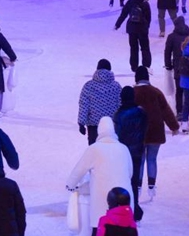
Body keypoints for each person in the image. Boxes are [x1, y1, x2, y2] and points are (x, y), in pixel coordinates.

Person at [66, 117, 134, 235]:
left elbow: (79, 170)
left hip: (103, 200)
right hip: (124, 199)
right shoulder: (123, 148)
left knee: (100, 227)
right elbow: (130, 173)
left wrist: (70, 185)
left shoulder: (95, 148)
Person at [132, 67, 179, 202]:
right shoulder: (156, 92)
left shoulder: (133, 93)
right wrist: (174, 126)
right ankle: (152, 187)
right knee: (152, 159)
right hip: (155, 131)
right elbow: (166, 111)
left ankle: (138, 187)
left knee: (139, 161)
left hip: (138, 133)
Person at [113, 87, 148, 222]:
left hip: (123, 154)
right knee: (134, 182)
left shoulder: (119, 115)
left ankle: (124, 209)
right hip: (138, 151)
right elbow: (144, 129)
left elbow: (117, 135)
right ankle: (134, 209)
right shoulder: (142, 113)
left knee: (123, 181)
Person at [78, 59, 122, 145]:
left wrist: (81, 123)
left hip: (94, 125)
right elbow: (120, 105)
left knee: (95, 150)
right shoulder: (116, 86)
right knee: (110, 151)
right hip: (111, 125)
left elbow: (84, 104)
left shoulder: (89, 86)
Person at [114, 0, 152, 73]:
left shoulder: (130, 2)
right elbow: (149, 17)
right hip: (143, 29)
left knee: (133, 48)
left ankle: (134, 67)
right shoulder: (145, 3)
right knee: (145, 48)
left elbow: (123, 14)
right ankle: (146, 65)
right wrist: (147, 26)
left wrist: (117, 24)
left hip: (132, 29)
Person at [164, 16, 189, 121]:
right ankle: (188, 111)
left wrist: (167, 65)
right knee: (188, 90)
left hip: (178, 66)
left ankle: (179, 112)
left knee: (179, 90)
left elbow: (167, 52)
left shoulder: (172, 37)